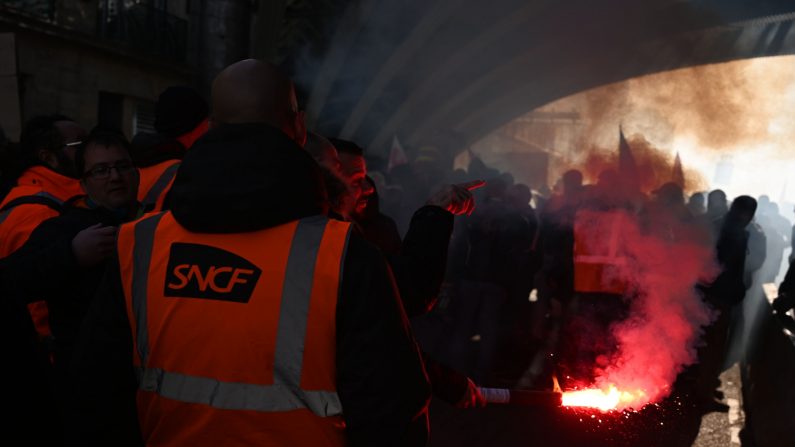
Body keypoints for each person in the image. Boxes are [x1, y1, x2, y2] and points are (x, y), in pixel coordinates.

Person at [72, 59, 430, 446]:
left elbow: (95, 394)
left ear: (211, 128)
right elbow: (392, 410)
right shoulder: (344, 255)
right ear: (297, 126)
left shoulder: (136, 246)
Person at [3, 129, 142, 440]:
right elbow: (12, 279)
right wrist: (71, 255)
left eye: (122, 166)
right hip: (88, 394)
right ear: (83, 182)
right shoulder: (63, 228)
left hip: (146, 390)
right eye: (101, 170)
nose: (115, 176)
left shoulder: (158, 223)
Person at [0, 115, 86, 339]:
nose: (90, 150)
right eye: (80, 144)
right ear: (48, 157)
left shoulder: (26, 194)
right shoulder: (42, 212)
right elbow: (38, 305)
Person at [133, 86, 209, 211]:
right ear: (194, 126)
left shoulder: (133, 163)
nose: (209, 128)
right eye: (206, 122)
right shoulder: (187, 174)